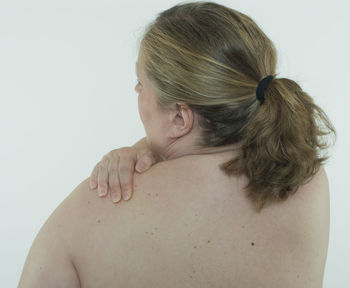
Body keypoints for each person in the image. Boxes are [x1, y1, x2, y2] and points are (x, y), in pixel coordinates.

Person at [18, 1, 336, 287]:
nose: (136, 91)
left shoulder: (92, 206)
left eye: (141, 83)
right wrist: (153, 147)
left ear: (180, 119)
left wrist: (152, 149)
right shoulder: (304, 183)